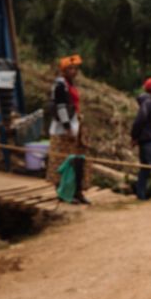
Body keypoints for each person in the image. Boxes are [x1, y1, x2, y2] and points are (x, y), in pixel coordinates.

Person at [47, 54, 90, 204]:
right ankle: (64, 193)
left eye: (75, 68)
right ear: (63, 70)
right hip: (64, 129)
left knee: (79, 160)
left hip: (75, 125)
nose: (74, 71)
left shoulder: (69, 85)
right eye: (70, 68)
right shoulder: (60, 86)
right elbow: (60, 107)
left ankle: (77, 191)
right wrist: (67, 127)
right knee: (63, 162)